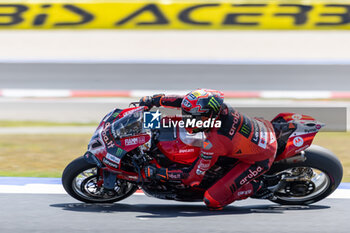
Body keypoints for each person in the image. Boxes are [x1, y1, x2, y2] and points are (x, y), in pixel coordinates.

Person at [140, 89, 277, 210]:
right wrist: (155, 100)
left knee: (212, 200)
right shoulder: (218, 108)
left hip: (261, 157)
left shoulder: (213, 143)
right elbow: (183, 101)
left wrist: (160, 173)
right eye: (187, 115)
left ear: (209, 116)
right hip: (259, 129)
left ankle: (256, 187)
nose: (188, 120)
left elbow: (191, 177)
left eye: (194, 118)